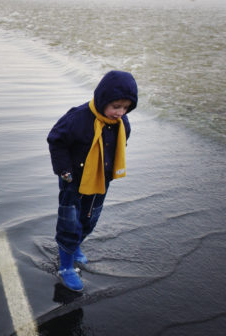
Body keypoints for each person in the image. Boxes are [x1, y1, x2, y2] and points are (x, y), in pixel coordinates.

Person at [46, 71, 138, 291]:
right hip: (74, 181)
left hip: (100, 181)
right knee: (70, 223)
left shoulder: (121, 123)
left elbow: (119, 145)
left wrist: (108, 169)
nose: (120, 112)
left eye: (126, 107)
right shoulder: (78, 118)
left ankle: (77, 245)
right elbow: (56, 140)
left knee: (90, 219)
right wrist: (64, 170)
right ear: (103, 98)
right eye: (116, 106)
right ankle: (66, 266)